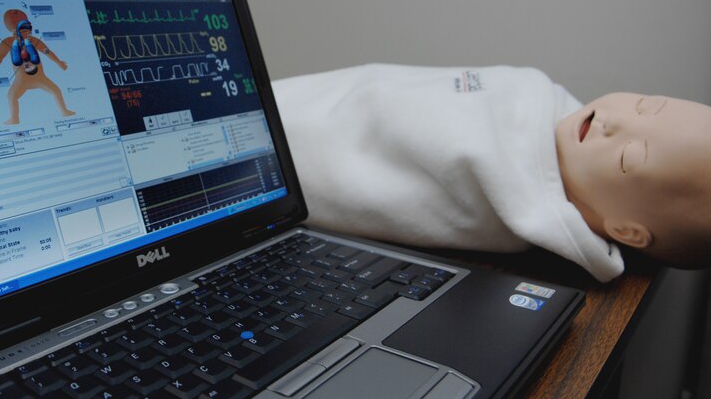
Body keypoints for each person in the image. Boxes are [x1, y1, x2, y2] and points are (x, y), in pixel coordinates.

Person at [272, 64, 711, 282]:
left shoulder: (521, 198)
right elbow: (384, 90)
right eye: (645, 104)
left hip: (295, 148)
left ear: (628, 231)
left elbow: (382, 163)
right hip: (305, 96)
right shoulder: (546, 100)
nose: (612, 123)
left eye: (627, 156)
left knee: (285, 139)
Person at [0, 9, 75, 125]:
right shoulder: (9, 41)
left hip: (38, 78)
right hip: (22, 80)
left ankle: (63, 111)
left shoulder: (32, 40)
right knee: (12, 96)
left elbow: (47, 51)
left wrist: (59, 62)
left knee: (55, 91)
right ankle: (14, 118)